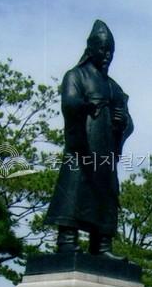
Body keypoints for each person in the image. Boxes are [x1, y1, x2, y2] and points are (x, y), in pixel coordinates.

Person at [46, 19, 135, 256]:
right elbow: (69, 103)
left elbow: (128, 121)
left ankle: (102, 245)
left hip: (105, 151)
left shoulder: (114, 88)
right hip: (82, 148)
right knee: (74, 189)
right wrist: (86, 106)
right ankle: (67, 241)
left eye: (111, 51)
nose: (107, 55)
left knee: (106, 193)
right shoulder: (76, 75)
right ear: (91, 49)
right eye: (103, 49)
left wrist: (121, 121)